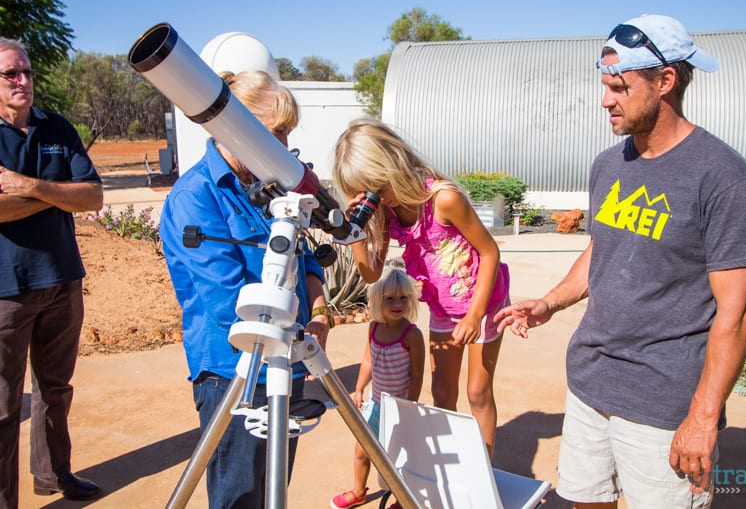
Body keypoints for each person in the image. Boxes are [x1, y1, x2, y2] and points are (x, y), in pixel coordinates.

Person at [495, 14, 746, 508]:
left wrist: (704, 417)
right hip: (590, 382)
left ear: (665, 81)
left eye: (619, 88)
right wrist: (551, 302)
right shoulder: (609, 164)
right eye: (604, 86)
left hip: (664, 403)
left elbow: (739, 311)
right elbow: (604, 246)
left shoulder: (722, 176)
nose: (606, 100)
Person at [159, 70, 333, 508]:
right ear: (236, 128)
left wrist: (321, 312)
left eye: (287, 134)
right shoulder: (194, 197)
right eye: (276, 133)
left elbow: (306, 256)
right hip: (231, 369)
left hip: (284, 360)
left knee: (274, 488)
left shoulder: (270, 186)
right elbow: (227, 301)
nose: (283, 145)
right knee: (239, 497)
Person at [332, 119, 510, 457]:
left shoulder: (443, 198)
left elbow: (490, 252)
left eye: (376, 189)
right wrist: (356, 231)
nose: (376, 200)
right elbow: (372, 274)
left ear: (392, 164)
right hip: (445, 309)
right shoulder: (386, 211)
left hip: (484, 305)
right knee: (442, 393)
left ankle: (484, 469)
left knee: (477, 392)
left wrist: (474, 315)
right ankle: (455, 463)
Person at [0, 38, 104, 506]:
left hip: (62, 279)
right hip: (7, 289)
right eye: (10, 75)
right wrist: (58, 193)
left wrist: (29, 186)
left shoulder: (56, 126)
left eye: (26, 72)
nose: (23, 81)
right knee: (3, 405)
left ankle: (54, 475)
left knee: (55, 391)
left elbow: (93, 197)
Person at [331, 263, 425, 509]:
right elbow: (368, 360)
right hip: (375, 404)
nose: (397, 304)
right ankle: (359, 491)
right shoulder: (373, 328)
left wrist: (409, 406)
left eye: (404, 298)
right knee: (362, 450)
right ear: (376, 300)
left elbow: (417, 375)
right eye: (389, 298)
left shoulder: (412, 335)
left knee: (399, 457)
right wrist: (359, 388)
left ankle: (400, 498)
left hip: (399, 407)